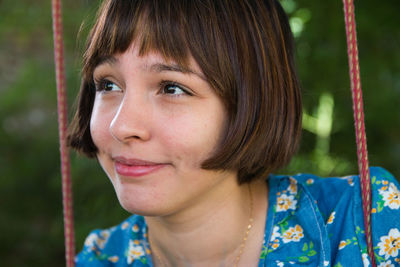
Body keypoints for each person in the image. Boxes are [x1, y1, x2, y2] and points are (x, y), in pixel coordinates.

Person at [67, 0, 400, 266]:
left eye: (172, 88)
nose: (121, 126)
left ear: (254, 102)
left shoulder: (364, 224)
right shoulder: (100, 258)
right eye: (108, 84)